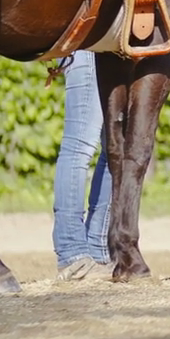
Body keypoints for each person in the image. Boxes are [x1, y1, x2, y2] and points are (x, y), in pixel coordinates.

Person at [52, 51, 112, 279]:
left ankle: (97, 250)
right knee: (79, 144)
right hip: (88, 46)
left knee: (117, 148)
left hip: (111, 46)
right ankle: (72, 252)